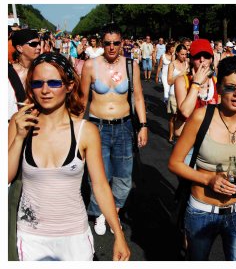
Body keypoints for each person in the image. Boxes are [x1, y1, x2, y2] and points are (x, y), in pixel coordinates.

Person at [8, 52, 130, 261]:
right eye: (38, 84)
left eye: (54, 83)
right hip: (30, 238)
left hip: (75, 238)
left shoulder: (86, 131)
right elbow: (6, 178)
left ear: (70, 85)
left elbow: (100, 185)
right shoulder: (20, 123)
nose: (45, 90)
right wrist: (19, 137)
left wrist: (118, 234)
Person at [168, 56, 236, 260]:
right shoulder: (201, 117)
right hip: (202, 212)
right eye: (230, 87)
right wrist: (208, 179)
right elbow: (174, 163)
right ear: (219, 88)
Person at [80, 24, 148, 236]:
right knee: (99, 174)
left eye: (116, 43)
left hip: (124, 126)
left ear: (122, 43)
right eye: (107, 43)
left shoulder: (131, 65)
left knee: (124, 176)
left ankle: (114, 210)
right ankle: (101, 212)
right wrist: (75, 129)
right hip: (96, 126)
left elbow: (138, 97)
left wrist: (144, 125)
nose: (111, 47)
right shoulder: (90, 66)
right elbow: (82, 100)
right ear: (102, 44)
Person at [174, 39, 218, 141]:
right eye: (198, 56)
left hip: (209, 139)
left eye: (206, 56)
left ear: (211, 59)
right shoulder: (182, 80)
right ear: (192, 59)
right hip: (187, 139)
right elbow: (185, 111)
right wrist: (196, 83)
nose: (202, 60)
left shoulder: (215, 82)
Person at [9, 29, 41, 120]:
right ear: (20, 48)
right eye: (33, 44)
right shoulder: (8, 72)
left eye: (39, 43)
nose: (39, 47)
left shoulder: (40, 71)